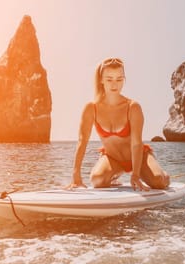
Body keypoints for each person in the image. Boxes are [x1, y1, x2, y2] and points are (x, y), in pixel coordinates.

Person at [67, 57, 170, 191]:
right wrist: (76, 175)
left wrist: (136, 175)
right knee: (97, 180)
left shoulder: (132, 107)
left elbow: (136, 143)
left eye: (119, 79)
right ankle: (115, 176)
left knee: (158, 182)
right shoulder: (91, 108)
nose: (114, 84)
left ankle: (165, 175)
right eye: (109, 79)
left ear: (124, 79)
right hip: (113, 158)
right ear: (101, 80)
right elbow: (82, 140)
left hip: (139, 157)